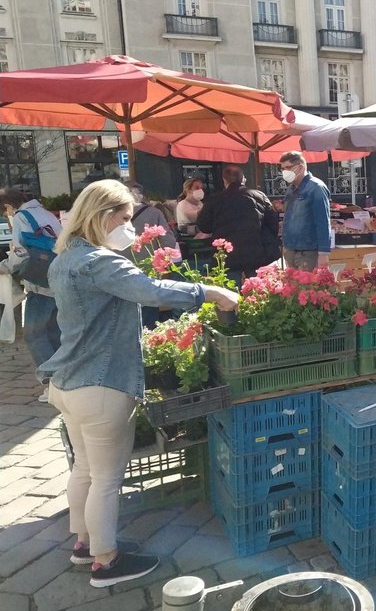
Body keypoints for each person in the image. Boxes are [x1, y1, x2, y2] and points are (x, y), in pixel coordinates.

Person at [37, 180, 238, 588]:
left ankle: (84, 544)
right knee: (107, 479)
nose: (129, 226)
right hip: (103, 385)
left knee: (85, 470)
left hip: (67, 382)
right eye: (125, 218)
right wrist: (211, 292)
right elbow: (152, 291)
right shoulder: (101, 261)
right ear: (103, 215)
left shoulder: (64, 257)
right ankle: (106, 562)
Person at [0, 189, 63, 400]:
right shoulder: (44, 213)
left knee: (34, 334)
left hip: (39, 284)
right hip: (56, 279)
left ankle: (52, 383)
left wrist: (5, 267)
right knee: (53, 333)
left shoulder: (21, 217)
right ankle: (64, 379)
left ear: (9, 206)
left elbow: (20, 253)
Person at [195, 165, 281, 287]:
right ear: (243, 179)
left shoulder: (213, 200)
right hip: (256, 253)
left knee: (229, 294)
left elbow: (204, 226)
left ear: (224, 181)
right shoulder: (260, 196)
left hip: (227, 256)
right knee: (258, 292)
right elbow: (273, 224)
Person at [124, 182, 179, 327]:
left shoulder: (109, 215)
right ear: (142, 196)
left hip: (117, 272)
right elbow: (168, 242)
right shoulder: (154, 213)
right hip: (147, 270)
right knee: (148, 313)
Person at [279, 151, 332, 270]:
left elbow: (323, 221)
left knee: (306, 288)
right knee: (291, 288)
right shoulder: (290, 190)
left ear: (300, 167)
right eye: (282, 169)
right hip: (290, 250)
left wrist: (324, 253)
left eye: (287, 167)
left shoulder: (316, 188)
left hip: (308, 253)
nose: (284, 172)